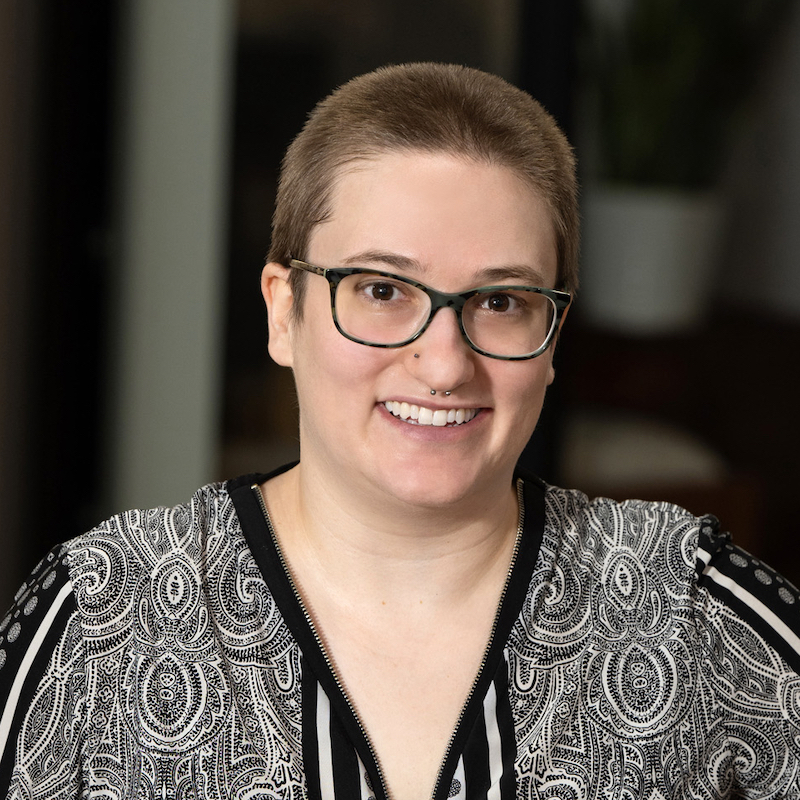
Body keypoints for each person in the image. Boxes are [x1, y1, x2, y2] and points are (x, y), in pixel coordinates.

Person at [0, 62, 798, 800]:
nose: (444, 363)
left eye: (501, 301)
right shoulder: (99, 622)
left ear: (553, 338)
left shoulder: (687, 609)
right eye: (383, 289)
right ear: (285, 310)